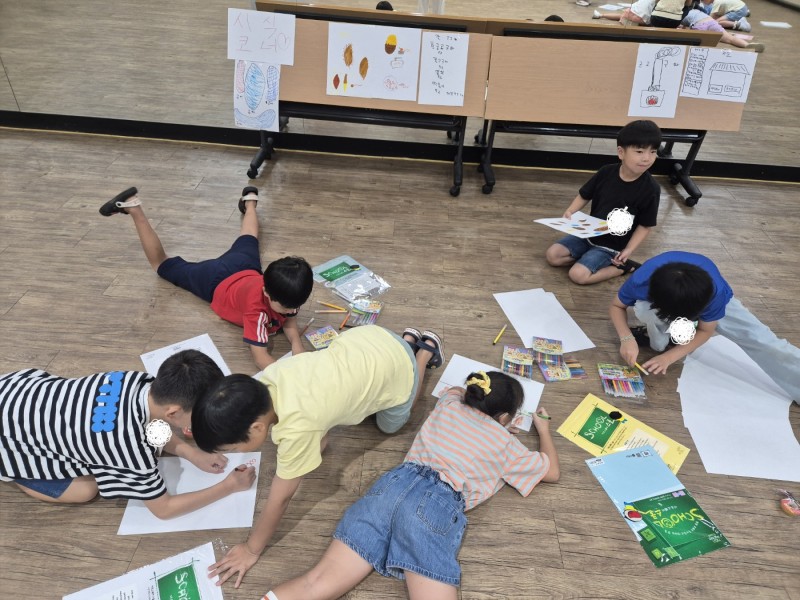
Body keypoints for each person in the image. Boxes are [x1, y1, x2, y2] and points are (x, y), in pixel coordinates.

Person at [262, 371, 560, 600]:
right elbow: (552, 472)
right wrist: (543, 429)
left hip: (392, 486)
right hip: (435, 505)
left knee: (316, 582)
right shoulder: (506, 444)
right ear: (505, 418)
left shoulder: (448, 404)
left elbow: (456, 391)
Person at [191, 324, 445, 588]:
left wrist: (251, 549)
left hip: (397, 366)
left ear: (256, 428)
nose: (234, 454)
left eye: (232, 449)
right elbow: (316, 423)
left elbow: (280, 498)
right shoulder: (269, 377)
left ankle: (422, 355)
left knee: (390, 425)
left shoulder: (297, 429)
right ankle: (407, 340)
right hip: (370, 336)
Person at [0, 350, 256, 517]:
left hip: (14, 388)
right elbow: (164, 509)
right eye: (200, 416)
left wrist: (190, 453)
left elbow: (153, 425)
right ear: (174, 412)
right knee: (86, 489)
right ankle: (19, 474)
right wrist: (229, 486)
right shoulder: (127, 447)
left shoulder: (136, 380)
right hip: (7, 440)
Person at [99, 186, 313, 371]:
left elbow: (289, 318)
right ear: (266, 291)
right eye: (285, 307)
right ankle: (134, 208)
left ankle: (250, 201)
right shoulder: (256, 312)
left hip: (245, 268)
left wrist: (297, 345)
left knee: (249, 236)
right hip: (215, 280)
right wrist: (294, 377)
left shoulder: (291, 290)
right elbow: (260, 358)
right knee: (161, 265)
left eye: (295, 306)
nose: (291, 311)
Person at [609, 251, 800, 401]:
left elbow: (705, 330)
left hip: (707, 299)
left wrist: (669, 357)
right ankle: (661, 336)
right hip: (666, 300)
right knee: (646, 316)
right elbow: (617, 306)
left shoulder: (715, 294)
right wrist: (626, 338)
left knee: (760, 338)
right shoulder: (642, 281)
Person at [545, 120, 662, 285]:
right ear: (621, 152)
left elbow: (645, 226)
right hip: (588, 234)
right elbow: (585, 195)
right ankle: (588, 260)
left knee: (578, 275)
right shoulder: (606, 172)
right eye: (639, 151)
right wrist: (571, 211)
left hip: (611, 247)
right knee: (553, 256)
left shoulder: (651, 189)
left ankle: (621, 267)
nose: (647, 158)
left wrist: (628, 250)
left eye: (653, 152)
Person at [680, 9, 764, 51]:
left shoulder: (680, 13)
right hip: (711, 22)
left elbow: (681, 26)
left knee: (697, 45)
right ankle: (747, 45)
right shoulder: (696, 11)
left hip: (698, 25)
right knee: (730, 39)